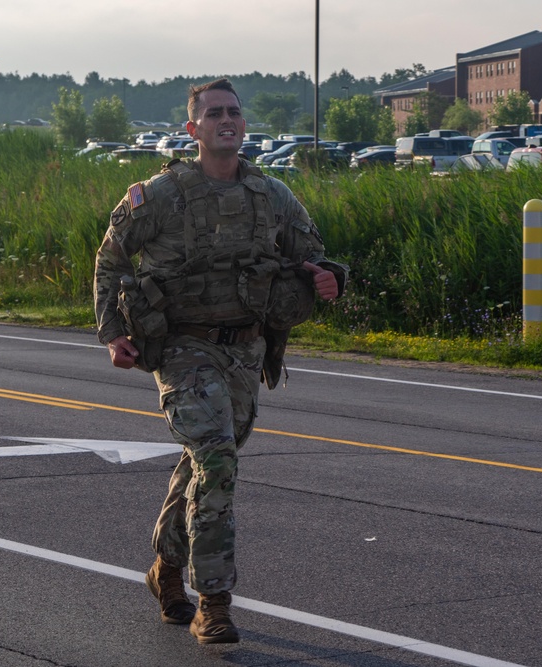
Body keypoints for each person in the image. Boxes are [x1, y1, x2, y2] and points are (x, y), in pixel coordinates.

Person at [93, 78, 347, 644]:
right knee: (218, 461)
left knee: (208, 461)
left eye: (233, 112)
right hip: (180, 347)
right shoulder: (159, 195)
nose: (225, 120)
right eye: (213, 114)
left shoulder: (273, 195)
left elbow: (309, 255)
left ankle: (164, 569)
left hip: (245, 350)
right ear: (193, 129)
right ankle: (215, 601)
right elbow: (110, 260)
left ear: (243, 125)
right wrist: (113, 333)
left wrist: (327, 277)